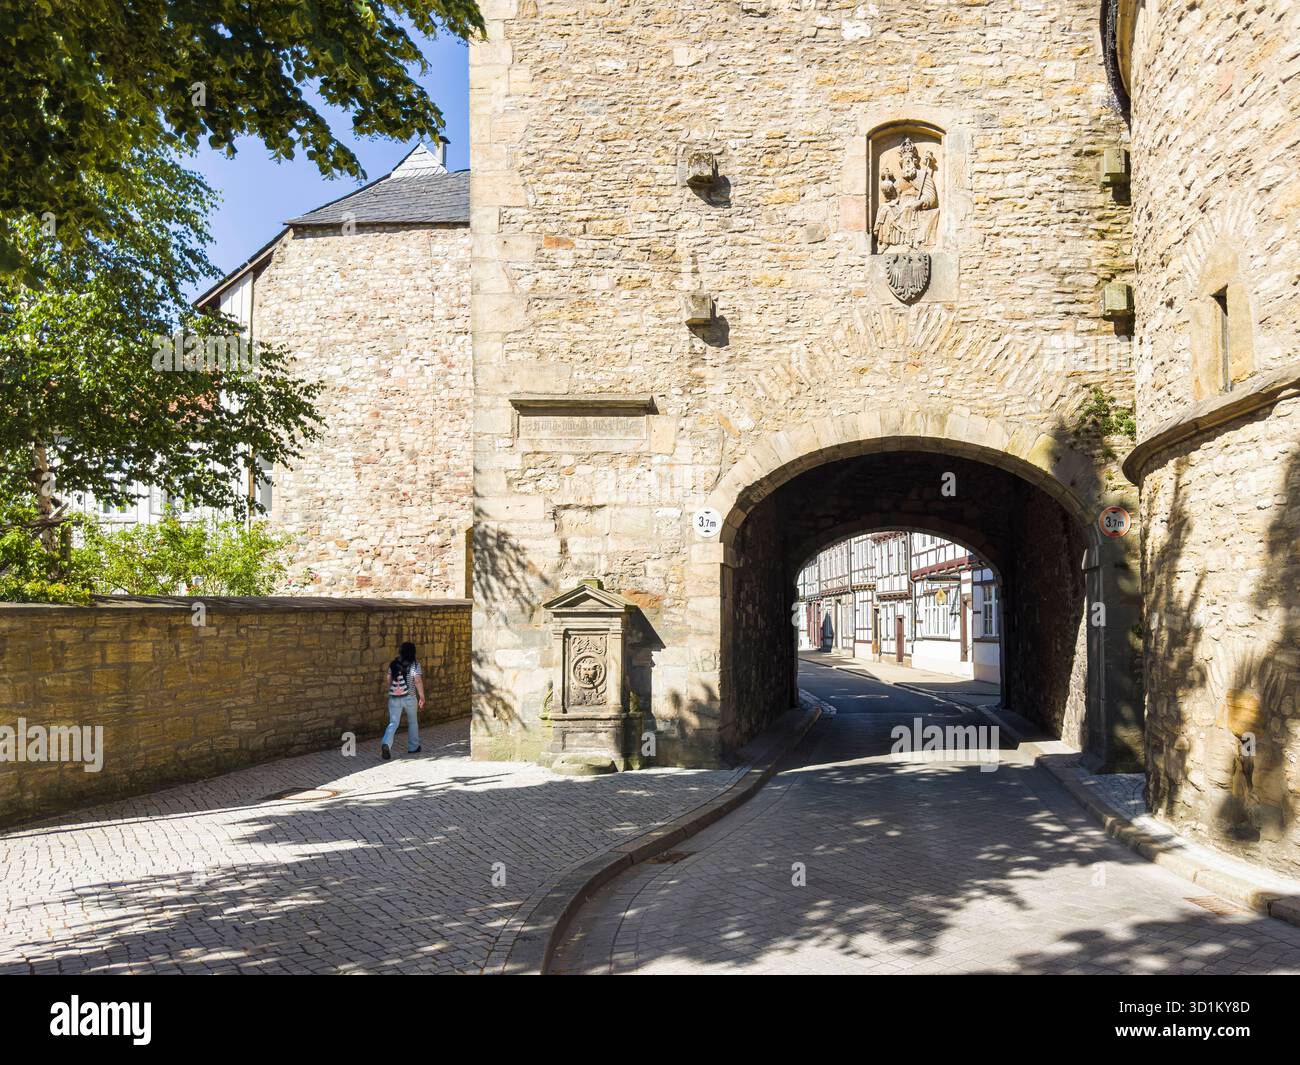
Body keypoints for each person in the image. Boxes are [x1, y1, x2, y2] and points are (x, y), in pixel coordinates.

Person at [381, 642, 424, 759]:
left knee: (393, 722)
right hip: (410, 697)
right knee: (412, 722)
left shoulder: (393, 664)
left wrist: (391, 690)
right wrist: (422, 696)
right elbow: (417, 680)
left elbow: (388, 678)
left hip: (395, 698)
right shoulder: (415, 664)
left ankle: (386, 743)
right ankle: (413, 747)